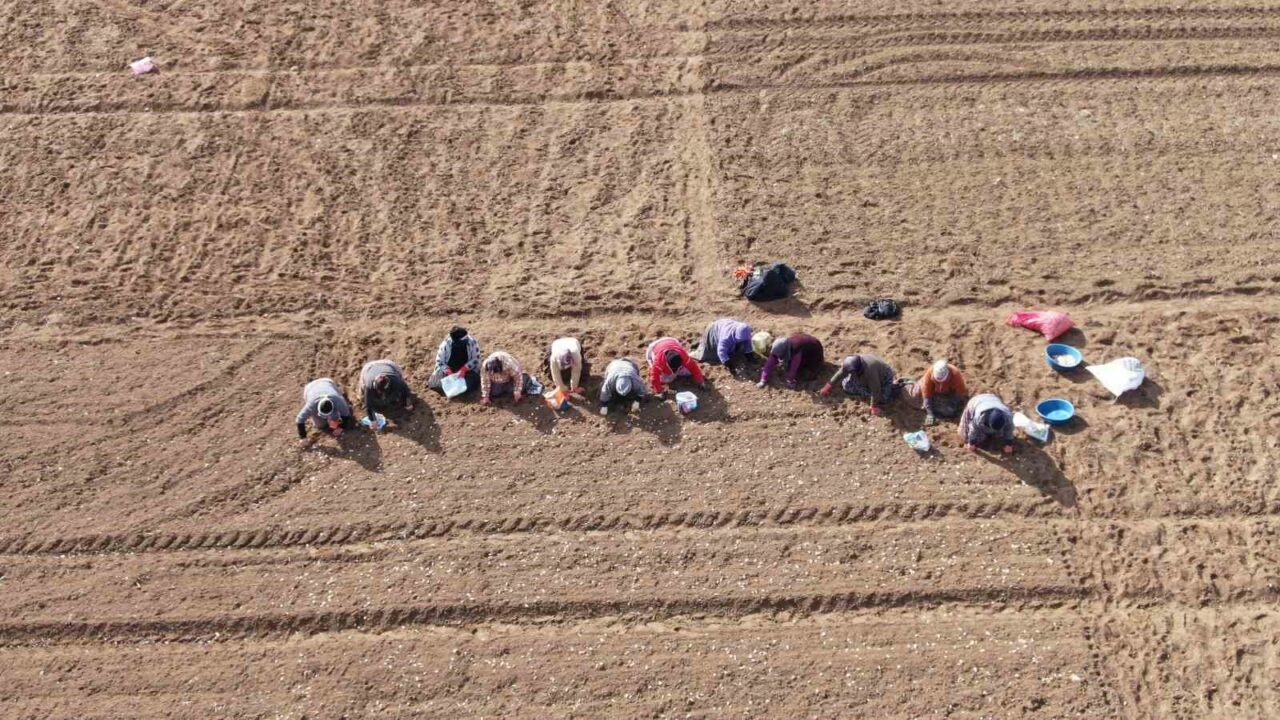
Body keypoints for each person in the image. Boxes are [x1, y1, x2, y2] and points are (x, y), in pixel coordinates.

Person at [820, 353, 896, 415]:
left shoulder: (870, 372)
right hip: (865, 376)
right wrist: (828, 385)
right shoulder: (851, 362)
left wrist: (873, 406)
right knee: (847, 387)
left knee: (883, 399)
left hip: (884, 376)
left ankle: (893, 388)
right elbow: (840, 373)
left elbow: (876, 390)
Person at [905, 359, 969, 425]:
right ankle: (904, 384)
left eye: (942, 380)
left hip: (949, 393)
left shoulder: (955, 374)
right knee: (914, 396)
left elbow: (960, 392)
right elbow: (926, 394)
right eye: (938, 380)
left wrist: (953, 403)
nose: (940, 382)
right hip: (933, 391)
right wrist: (930, 413)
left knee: (949, 411)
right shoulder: (929, 373)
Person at [295, 378, 355, 447]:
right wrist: (303, 437)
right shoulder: (312, 405)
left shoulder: (338, 401)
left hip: (327, 383)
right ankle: (325, 419)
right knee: (320, 425)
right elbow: (299, 419)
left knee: (335, 419)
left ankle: (334, 418)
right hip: (310, 388)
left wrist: (341, 427)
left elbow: (346, 414)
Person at [427, 325, 481, 396]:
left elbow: (476, 359)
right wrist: (448, 371)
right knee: (435, 384)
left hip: (467, 370)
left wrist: (464, 369)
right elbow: (439, 361)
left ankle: (459, 389)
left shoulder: (472, 342)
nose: (467, 340)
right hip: (449, 369)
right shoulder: (445, 345)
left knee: (473, 381)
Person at [758, 333, 824, 389]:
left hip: (814, 351)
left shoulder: (795, 348)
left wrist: (790, 380)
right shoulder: (778, 347)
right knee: (788, 365)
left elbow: (794, 367)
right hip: (802, 349)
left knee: (807, 371)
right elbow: (769, 363)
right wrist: (763, 379)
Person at [359, 359, 413, 424]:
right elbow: (368, 406)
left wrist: (409, 404)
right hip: (368, 369)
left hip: (387, 364)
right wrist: (373, 420)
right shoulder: (369, 387)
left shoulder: (394, 379)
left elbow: (405, 389)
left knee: (400, 382)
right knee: (362, 396)